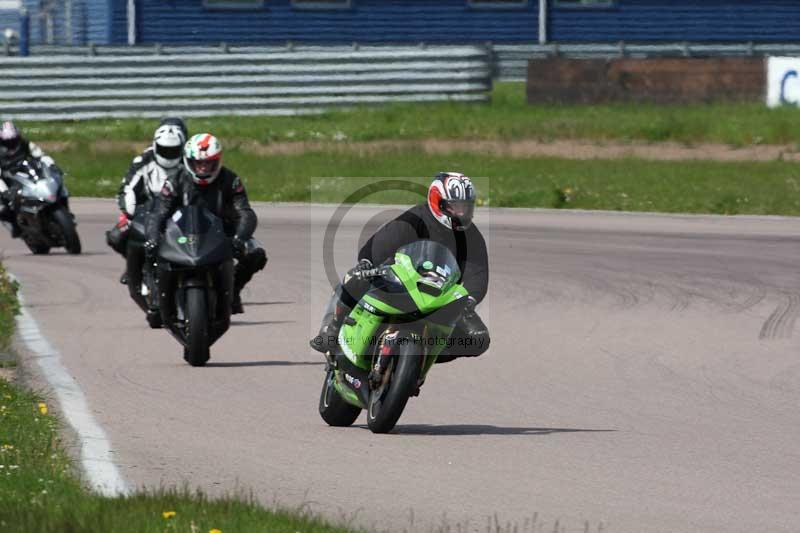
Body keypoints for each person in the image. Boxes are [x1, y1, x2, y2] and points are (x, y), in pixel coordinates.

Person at [310, 172, 490, 368]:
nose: (462, 213)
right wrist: (368, 264)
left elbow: (478, 274)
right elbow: (379, 246)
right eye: (456, 207)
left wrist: (469, 300)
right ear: (438, 202)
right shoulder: (413, 220)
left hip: (437, 298)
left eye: (466, 207)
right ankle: (331, 330)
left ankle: (423, 356)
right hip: (397, 286)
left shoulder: (472, 237)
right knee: (354, 277)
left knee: (478, 340)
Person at [145, 133, 267, 315]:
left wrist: (239, 238)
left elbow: (246, 213)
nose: (203, 168)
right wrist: (153, 238)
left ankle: (233, 289)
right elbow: (158, 213)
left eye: (208, 163)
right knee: (149, 248)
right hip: (180, 232)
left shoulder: (230, 180)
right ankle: (156, 293)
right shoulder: (175, 180)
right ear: (188, 161)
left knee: (256, 253)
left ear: (217, 161)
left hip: (220, 231)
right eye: (198, 163)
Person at [107, 118, 187, 284]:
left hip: (183, 209)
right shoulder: (143, 160)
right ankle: (134, 265)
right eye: (165, 150)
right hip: (149, 209)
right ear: (156, 145)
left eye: (174, 150)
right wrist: (130, 211)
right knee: (116, 235)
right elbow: (126, 188)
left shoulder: (192, 160)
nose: (169, 154)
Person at [0, 121, 59, 238]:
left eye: (14, 140)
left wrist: (51, 165)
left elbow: (40, 155)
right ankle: (15, 226)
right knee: (3, 209)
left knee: (56, 182)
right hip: (9, 178)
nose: (11, 144)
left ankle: (60, 207)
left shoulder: (25, 143)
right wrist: (4, 191)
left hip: (27, 170)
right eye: (8, 142)